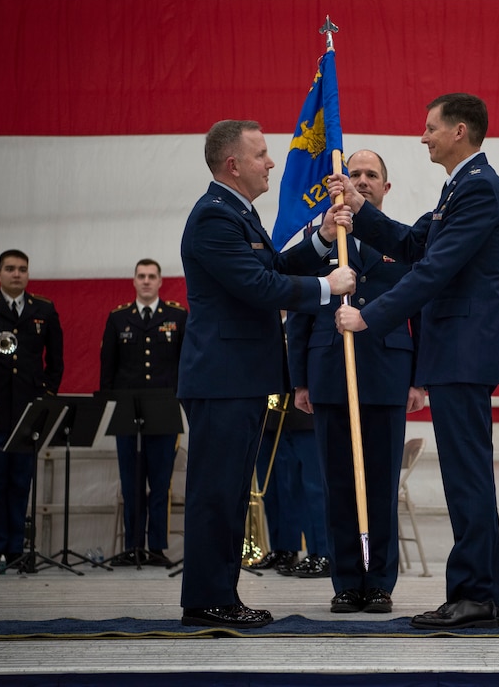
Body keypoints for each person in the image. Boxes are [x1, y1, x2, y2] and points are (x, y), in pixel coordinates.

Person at [330, 94, 499, 629]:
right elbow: (413, 243)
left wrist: (370, 318)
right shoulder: (460, 186)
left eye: (430, 128)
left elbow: (434, 270)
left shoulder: (478, 188)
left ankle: (476, 595)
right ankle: (473, 592)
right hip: (455, 351)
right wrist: (361, 212)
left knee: (468, 477)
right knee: (463, 477)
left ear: (459, 130)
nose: (423, 136)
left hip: (464, 350)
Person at [177, 119, 355, 629]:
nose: (272, 163)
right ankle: (208, 599)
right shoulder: (214, 218)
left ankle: (220, 595)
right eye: (261, 155)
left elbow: (273, 266)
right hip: (222, 378)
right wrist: (327, 287)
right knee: (217, 492)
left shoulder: (237, 214)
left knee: (232, 491)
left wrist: (321, 239)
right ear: (233, 165)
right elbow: (258, 285)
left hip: (240, 377)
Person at [289, 149, 425, 614]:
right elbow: (300, 312)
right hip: (328, 373)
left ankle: (380, 582)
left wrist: (419, 380)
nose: (361, 180)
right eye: (354, 173)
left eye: (371, 175)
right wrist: (299, 380)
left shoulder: (405, 242)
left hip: (388, 375)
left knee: (382, 486)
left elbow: (420, 311)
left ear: (386, 188)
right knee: (338, 485)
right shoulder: (321, 240)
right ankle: (346, 581)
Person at [0, 249, 64, 570]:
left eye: (22, 269)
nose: (17, 274)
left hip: (29, 411)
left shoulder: (44, 309)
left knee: (20, 482)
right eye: (10, 269)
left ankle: (15, 549)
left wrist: (45, 400)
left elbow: (55, 362)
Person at [99, 258, 187, 567]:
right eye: (141, 276)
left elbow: (185, 364)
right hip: (127, 412)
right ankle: (133, 545)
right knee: (131, 482)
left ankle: (156, 548)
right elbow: (107, 368)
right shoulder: (118, 318)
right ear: (134, 281)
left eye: (152, 276)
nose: (146, 281)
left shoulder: (176, 315)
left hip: (164, 410)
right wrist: (108, 407)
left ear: (160, 281)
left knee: (160, 483)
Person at [247, 388, 331, 578]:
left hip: (303, 410)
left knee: (311, 489)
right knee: (278, 488)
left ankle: (322, 552)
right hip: (271, 413)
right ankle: (283, 547)